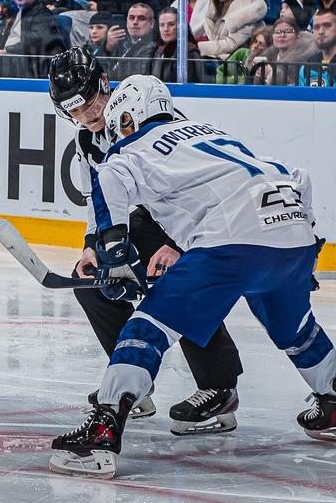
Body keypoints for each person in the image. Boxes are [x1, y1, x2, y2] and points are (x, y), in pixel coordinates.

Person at [49, 74, 336, 479]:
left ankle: (104, 426)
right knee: (296, 328)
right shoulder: (209, 132)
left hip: (232, 245)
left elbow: (110, 183)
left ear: (127, 116)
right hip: (294, 234)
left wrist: (113, 255)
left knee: (151, 322)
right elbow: (297, 176)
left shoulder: (131, 149)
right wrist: (301, 249)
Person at [46, 50, 244, 437]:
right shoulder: (87, 138)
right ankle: (133, 384)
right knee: (92, 283)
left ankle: (219, 386)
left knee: (179, 283)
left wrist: (178, 244)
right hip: (149, 216)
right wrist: (93, 244)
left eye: (88, 104)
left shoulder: (149, 115)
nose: (85, 117)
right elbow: (98, 197)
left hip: (195, 219)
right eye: (73, 112)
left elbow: (200, 190)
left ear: (104, 83)